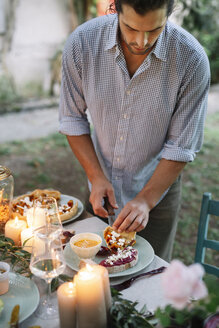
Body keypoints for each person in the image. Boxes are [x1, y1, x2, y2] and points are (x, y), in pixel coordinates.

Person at [59, 0, 210, 261]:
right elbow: (72, 118)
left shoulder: (191, 60)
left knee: (150, 282)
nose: (141, 41)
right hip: (99, 184)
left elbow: (181, 146)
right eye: (130, 28)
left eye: (155, 30)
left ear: (169, 13)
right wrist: (95, 176)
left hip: (157, 190)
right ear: (115, 8)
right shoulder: (82, 43)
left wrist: (145, 200)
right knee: (93, 273)